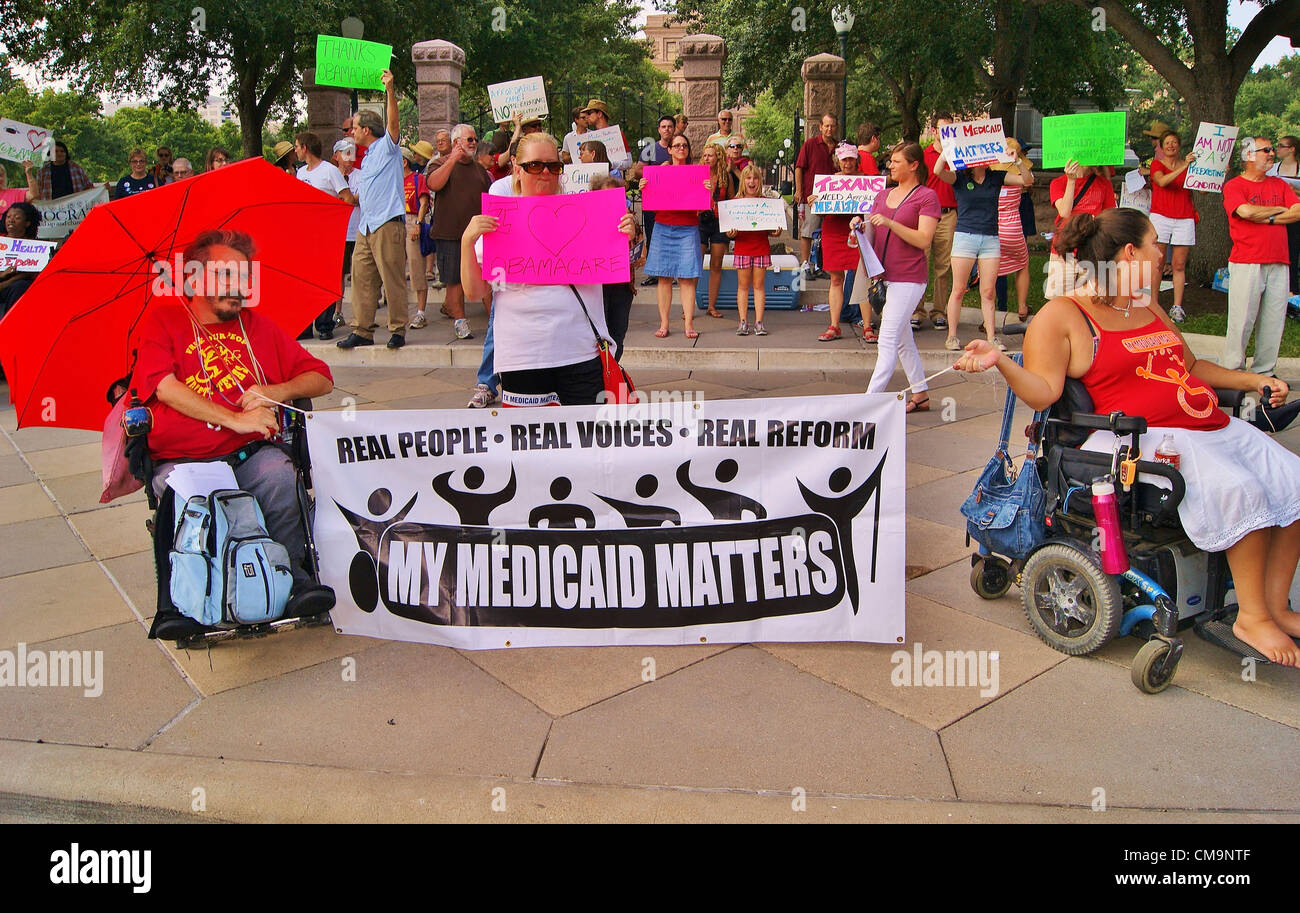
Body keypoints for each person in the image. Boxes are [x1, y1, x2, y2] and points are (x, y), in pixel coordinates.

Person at [954, 208, 1300, 666]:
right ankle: (1250, 618)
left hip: (1204, 424)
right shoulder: (1064, 315)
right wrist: (999, 358)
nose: (1163, 253)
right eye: (1156, 243)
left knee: (1292, 481)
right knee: (1245, 492)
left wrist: (1250, 381)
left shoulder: (1146, 303)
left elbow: (1190, 368)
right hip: (1136, 441)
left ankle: (1275, 605)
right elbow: (1045, 392)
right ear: (1132, 251)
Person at [131, 228, 336, 622]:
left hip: (249, 455)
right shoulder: (164, 320)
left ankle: (293, 580)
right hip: (184, 460)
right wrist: (236, 420)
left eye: (243, 277)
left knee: (280, 477)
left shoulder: (257, 327)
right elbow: (165, 388)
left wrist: (277, 389)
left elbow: (322, 378)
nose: (237, 287)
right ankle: (180, 602)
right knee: (188, 500)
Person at [461, 132, 637, 406]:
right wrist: (466, 242)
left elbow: (610, 270)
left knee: (585, 440)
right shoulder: (501, 222)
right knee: (529, 445)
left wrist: (623, 235)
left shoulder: (586, 214)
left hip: (581, 352)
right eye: (535, 165)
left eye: (553, 166)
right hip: (523, 357)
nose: (545, 172)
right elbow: (475, 292)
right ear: (517, 171)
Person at [849, 142, 940, 412]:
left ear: (913, 165)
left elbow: (924, 239)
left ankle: (868, 404)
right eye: (890, 161)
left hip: (909, 278)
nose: (890, 165)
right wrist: (859, 228)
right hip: (882, 275)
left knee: (887, 338)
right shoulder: (882, 195)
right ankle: (921, 393)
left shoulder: (926, 197)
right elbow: (873, 230)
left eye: (896, 161)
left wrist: (890, 223)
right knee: (902, 340)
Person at [337, 69, 410, 351]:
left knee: (391, 278)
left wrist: (390, 90)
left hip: (387, 223)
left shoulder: (386, 147)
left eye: (353, 127)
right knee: (362, 278)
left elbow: (393, 123)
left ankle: (397, 328)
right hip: (366, 225)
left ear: (366, 129)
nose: (351, 132)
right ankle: (363, 329)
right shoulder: (365, 159)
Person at [934, 144, 1031, 351]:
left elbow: (1027, 180)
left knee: (988, 291)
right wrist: (947, 152)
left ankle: (991, 336)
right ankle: (952, 336)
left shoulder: (997, 176)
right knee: (958, 289)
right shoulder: (960, 177)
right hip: (965, 236)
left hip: (990, 238)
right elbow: (937, 171)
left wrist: (1018, 162)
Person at [1222, 136, 1300, 377]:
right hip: (1247, 260)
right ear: (1249, 156)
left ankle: (1264, 372)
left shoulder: (1279, 185)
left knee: (1274, 320)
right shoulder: (1235, 186)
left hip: (1279, 261)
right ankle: (1233, 370)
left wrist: (1269, 218)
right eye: (1265, 150)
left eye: (1272, 149)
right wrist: (1280, 211)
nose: (1271, 153)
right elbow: (1244, 211)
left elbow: (1297, 211)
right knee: (1241, 320)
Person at [426, 122, 492, 341]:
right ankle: (460, 322)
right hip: (450, 235)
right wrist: (452, 159)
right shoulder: (440, 163)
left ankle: (495, 320)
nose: (474, 143)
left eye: (475, 139)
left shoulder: (480, 170)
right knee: (454, 281)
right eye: (469, 139)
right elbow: (434, 184)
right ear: (456, 143)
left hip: (478, 237)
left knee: (486, 277)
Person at [644, 133, 706, 339]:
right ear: (669, 149)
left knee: (687, 278)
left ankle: (688, 323)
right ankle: (664, 323)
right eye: (677, 145)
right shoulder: (660, 172)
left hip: (687, 227)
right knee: (664, 276)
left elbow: (704, 206)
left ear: (688, 150)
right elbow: (650, 200)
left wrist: (708, 191)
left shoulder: (697, 174)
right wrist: (646, 186)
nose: (681, 148)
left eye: (684, 145)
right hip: (663, 226)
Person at [294, 132, 355, 340]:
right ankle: (303, 325)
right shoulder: (300, 173)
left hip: (325, 235)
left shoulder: (329, 171)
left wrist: (331, 218)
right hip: (304, 234)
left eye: (297, 146)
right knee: (305, 281)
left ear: (305, 148)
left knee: (324, 280)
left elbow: (347, 198)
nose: (295, 151)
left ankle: (324, 324)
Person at [808, 143, 865, 342]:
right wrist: (814, 202)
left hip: (858, 230)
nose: (848, 163)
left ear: (856, 160)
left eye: (851, 158)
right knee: (836, 279)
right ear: (837, 161)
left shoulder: (866, 181)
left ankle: (867, 325)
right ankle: (834, 325)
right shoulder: (828, 183)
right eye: (844, 159)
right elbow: (822, 211)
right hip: (833, 230)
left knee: (862, 278)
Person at [1149, 130, 1198, 323]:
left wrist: (1216, 173)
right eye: (1167, 143)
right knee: (1158, 263)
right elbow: (1162, 181)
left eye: (1174, 142)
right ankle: (1153, 303)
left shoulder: (1189, 166)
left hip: (1184, 216)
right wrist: (1184, 166)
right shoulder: (1156, 165)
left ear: (1179, 145)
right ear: (1161, 146)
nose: (1171, 146)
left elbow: (1201, 190)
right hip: (1161, 216)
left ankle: (1177, 307)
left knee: (1178, 264)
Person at [726, 163, 781, 337]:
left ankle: (759, 322)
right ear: (743, 181)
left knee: (759, 286)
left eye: (755, 178)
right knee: (743, 287)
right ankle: (743, 321)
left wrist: (776, 232)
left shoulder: (767, 203)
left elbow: (772, 230)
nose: (752, 181)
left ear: (760, 181)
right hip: (742, 248)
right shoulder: (735, 203)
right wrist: (730, 233)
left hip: (761, 248)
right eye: (748, 178)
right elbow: (729, 232)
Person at [915, 113, 956, 331]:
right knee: (921, 261)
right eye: (943, 129)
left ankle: (939, 311)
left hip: (949, 214)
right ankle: (917, 310)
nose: (948, 133)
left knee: (944, 265)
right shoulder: (923, 156)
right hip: (926, 215)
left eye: (951, 128)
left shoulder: (958, 154)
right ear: (934, 131)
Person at [991, 137, 1034, 324]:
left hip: (993, 227)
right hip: (1014, 227)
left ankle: (990, 310)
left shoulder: (991, 181)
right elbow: (1029, 181)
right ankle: (1022, 306)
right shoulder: (1016, 181)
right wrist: (1018, 162)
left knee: (990, 271)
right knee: (1022, 265)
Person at [795, 113, 839, 277]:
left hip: (833, 199)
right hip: (811, 197)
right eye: (826, 125)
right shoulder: (810, 145)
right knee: (808, 231)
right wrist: (799, 190)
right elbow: (799, 167)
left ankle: (820, 265)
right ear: (820, 127)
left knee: (826, 233)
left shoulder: (839, 147)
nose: (829, 129)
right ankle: (806, 264)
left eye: (832, 126)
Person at [699, 142, 738, 321]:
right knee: (695, 264)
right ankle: (689, 305)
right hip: (700, 220)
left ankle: (711, 306)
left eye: (711, 155)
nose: (707, 158)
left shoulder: (726, 177)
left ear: (718, 157)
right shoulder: (697, 175)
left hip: (718, 222)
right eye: (705, 155)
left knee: (716, 264)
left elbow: (730, 201)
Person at [639, 115, 676, 287]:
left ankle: (672, 272)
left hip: (674, 201)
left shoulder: (679, 147)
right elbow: (638, 171)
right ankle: (654, 273)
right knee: (653, 235)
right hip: (653, 201)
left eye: (670, 126)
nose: (667, 129)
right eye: (663, 126)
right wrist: (658, 172)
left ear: (674, 129)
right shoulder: (650, 149)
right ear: (658, 130)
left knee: (672, 236)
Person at [400, 148, 431, 329]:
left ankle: (420, 312)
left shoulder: (417, 178)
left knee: (416, 267)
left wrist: (418, 224)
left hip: (412, 220)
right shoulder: (393, 180)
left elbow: (424, 201)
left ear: (404, 162)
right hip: (396, 220)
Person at [1266, 134, 1300, 295]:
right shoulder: (1273, 168)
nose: (1277, 149)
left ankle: (1292, 288)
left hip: (1295, 215)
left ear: (1292, 149)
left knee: (1293, 250)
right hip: (1277, 214)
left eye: (1281, 146)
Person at [0, 202, 42, 318]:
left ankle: (9, 324)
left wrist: (7, 282)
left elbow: (31, 274)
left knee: (21, 286)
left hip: (14, 287)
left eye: (17, 218)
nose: (11, 220)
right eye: (8, 217)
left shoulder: (35, 247)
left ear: (27, 223)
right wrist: (3, 275)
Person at [580, 99, 632, 172]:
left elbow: (628, 163)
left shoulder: (618, 134)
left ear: (599, 114)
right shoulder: (590, 137)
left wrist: (609, 163)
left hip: (611, 179)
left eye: (589, 113)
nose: (587, 117)